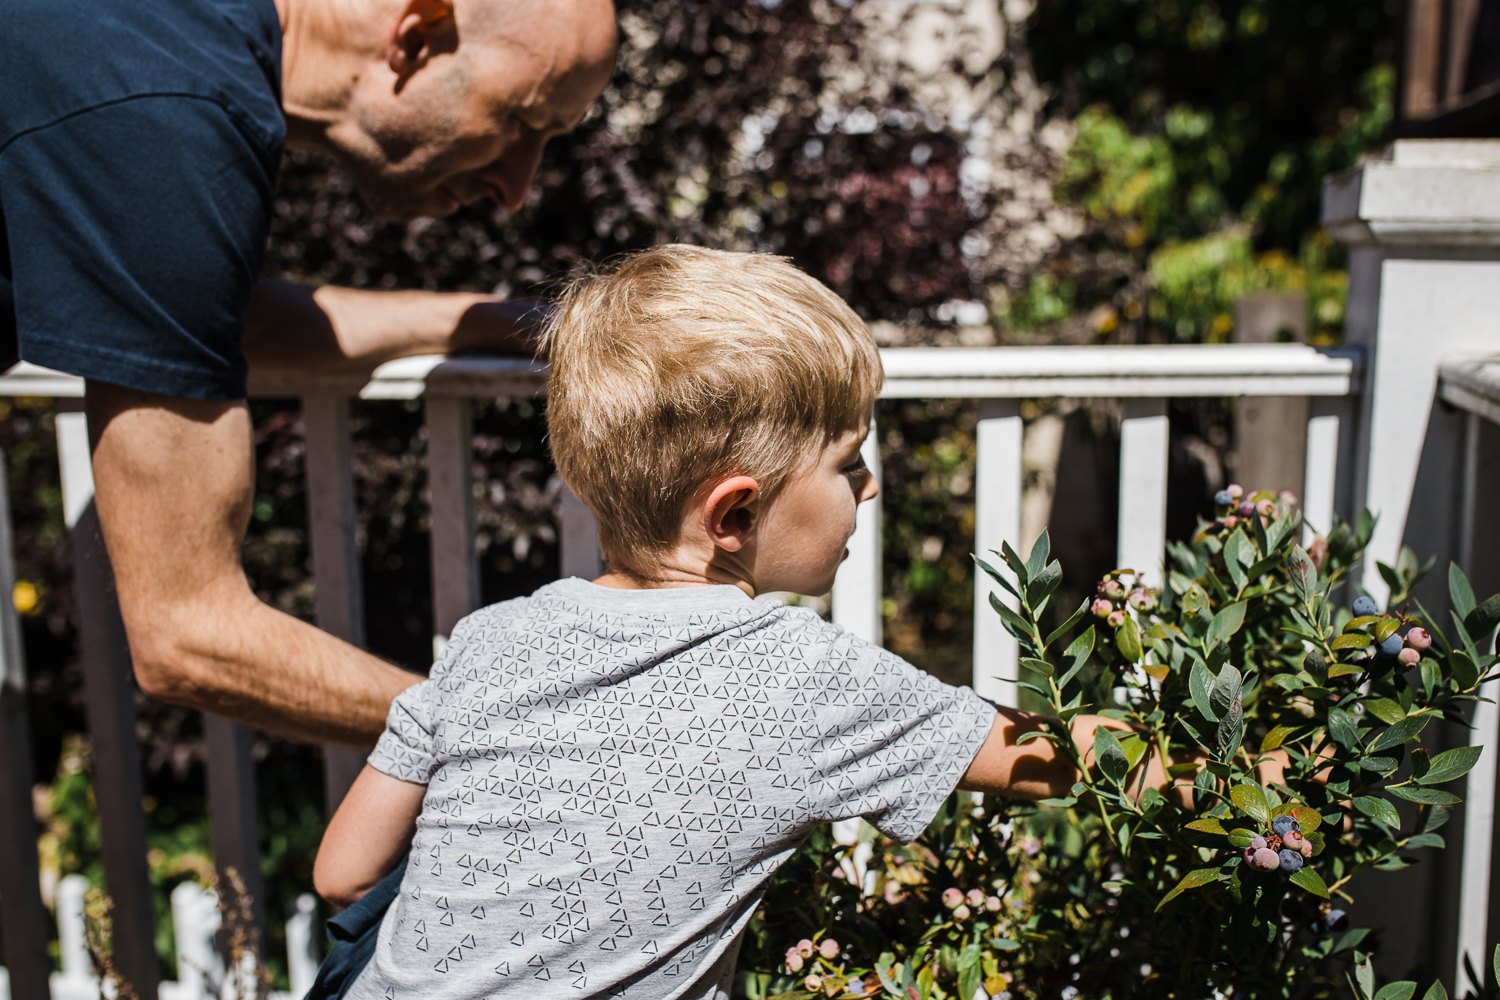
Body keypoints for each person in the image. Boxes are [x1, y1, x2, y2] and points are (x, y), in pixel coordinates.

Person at [311, 246, 1188, 999]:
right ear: (733, 516)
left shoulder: (488, 640)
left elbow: (343, 872)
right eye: (851, 462)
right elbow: (1053, 755)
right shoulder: (801, 680)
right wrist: (1262, 772)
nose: (871, 487)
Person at [0, 0, 618, 745]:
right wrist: (530, 739)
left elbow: (197, 320)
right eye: (524, 123)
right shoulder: (170, 109)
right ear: (418, 35)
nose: (518, 187)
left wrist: (476, 323)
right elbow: (188, 633)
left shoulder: (154, 38)